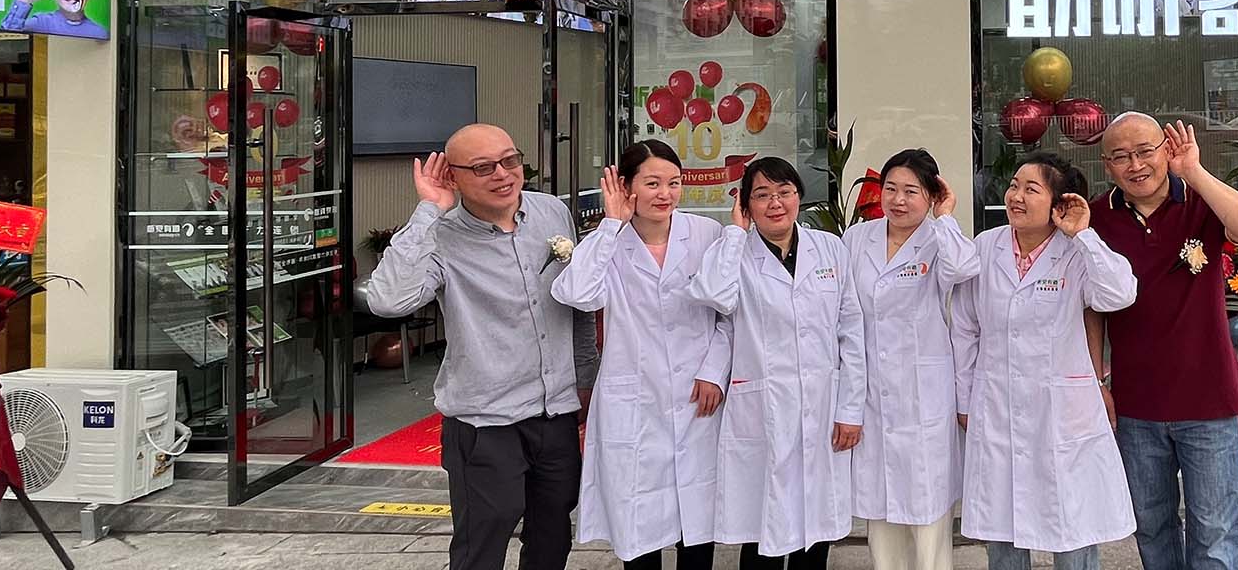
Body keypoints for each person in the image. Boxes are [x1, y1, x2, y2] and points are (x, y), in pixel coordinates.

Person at [363, 124, 600, 570]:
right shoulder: (440, 235)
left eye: (510, 160)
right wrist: (429, 209)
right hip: (485, 421)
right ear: (452, 176)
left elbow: (579, 303)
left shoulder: (552, 212)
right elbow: (388, 301)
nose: (503, 174)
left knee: (552, 537)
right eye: (483, 167)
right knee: (481, 546)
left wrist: (585, 378)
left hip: (555, 413)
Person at [1086, 116, 1238, 570]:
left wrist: (1194, 172)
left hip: (1208, 399)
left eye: (1145, 151)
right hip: (1136, 403)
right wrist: (1096, 381)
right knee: (1151, 526)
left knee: (1215, 529)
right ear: (1107, 165)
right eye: (1121, 156)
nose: (1136, 165)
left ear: (1165, 150)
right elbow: (1091, 306)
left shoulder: (1200, 201)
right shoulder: (1097, 217)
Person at [551, 140, 731, 570]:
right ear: (626, 187)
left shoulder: (706, 234)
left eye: (674, 183)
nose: (665, 194)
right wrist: (611, 225)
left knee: (697, 521)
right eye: (652, 183)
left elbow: (730, 313)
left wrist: (714, 370)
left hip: (698, 396)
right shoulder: (609, 241)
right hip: (634, 398)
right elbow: (577, 293)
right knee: (638, 523)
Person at [954, 151, 1138, 570]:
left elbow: (1119, 294)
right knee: (1002, 531)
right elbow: (965, 330)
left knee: (1071, 524)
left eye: (1031, 189)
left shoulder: (1075, 251)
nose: (1016, 196)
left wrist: (1084, 235)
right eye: (1014, 186)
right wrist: (965, 399)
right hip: (996, 406)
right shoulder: (986, 247)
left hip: (1062, 411)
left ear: (1058, 203)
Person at [689, 157, 866, 570]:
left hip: (822, 405)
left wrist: (850, 409)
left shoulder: (830, 249)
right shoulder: (734, 254)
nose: (775, 203)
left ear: (798, 196)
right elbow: (716, 300)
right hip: (763, 407)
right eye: (762, 195)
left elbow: (851, 332)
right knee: (763, 529)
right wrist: (735, 233)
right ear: (745, 204)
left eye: (784, 192)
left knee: (815, 528)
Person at [842, 149, 980, 570]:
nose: (898, 200)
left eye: (911, 191)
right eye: (891, 189)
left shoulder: (939, 240)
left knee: (928, 514)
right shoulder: (857, 239)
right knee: (881, 514)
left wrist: (946, 216)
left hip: (924, 398)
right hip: (871, 392)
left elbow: (965, 267)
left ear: (931, 195)